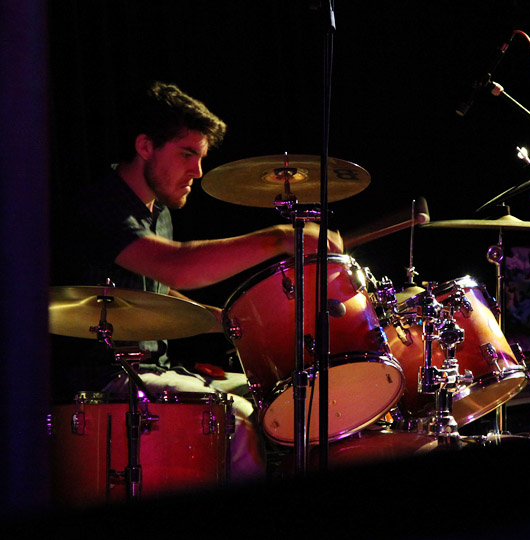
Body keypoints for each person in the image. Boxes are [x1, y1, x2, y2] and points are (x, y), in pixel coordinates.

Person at [50, 81, 343, 486]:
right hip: (100, 379)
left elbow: (150, 292)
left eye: (201, 158)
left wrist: (226, 320)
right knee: (237, 415)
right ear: (145, 146)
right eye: (187, 154)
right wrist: (280, 238)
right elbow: (174, 266)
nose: (198, 171)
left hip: (154, 369)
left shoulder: (159, 212)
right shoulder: (101, 207)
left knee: (283, 396)